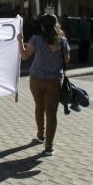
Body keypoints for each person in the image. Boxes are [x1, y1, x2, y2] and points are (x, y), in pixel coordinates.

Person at [17, 13, 70, 157]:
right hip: (54, 81)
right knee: (51, 113)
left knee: (39, 107)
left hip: (36, 79)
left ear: (41, 25)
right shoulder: (62, 40)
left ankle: (41, 134)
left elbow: (24, 56)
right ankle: (49, 147)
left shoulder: (35, 39)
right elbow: (67, 59)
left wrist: (20, 41)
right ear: (56, 24)